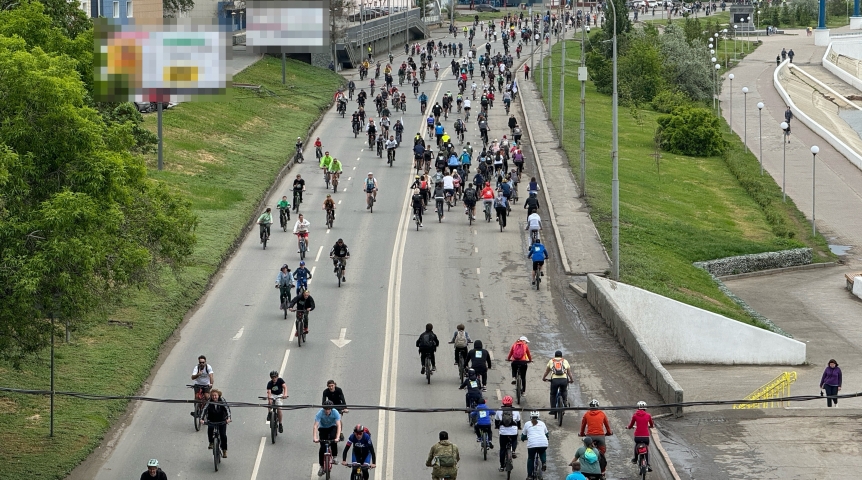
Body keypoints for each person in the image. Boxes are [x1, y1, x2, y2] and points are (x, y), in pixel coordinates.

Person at [313, 400, 343, 477]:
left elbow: (338, 425)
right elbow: (315, 426)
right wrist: (315, 438)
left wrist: (337, 437)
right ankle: (322, 466)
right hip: (323, 428)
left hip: (332, 427)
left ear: (331, 409)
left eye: (329, 409)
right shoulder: (320, 413)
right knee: (322, 448)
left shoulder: (335, 412)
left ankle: (335, 457)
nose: (327, 411)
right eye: (325, 409)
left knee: (333, 439)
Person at [200, 388, 231, 458]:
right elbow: (204, 409)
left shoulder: (222, 400)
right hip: (212, 420)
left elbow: (227, 409)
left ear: (218, 395)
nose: (214, 397)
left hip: (222, 420)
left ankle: (224, 450)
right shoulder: (209, 401)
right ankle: (211, 442)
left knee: (223, 435)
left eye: (215, 395)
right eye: (212, 396)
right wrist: (201, 419)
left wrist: (228, 418)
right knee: (210, 430)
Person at [542, 350, 575, 416]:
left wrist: (544, 378)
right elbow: (569, 373)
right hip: (564, 380)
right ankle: (565, 403)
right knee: (564, 391)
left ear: (555, 356)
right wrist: (571, 380)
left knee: (553, 394)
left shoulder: (551, 361)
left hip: (554, 380)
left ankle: (553, 410)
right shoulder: (565, 361)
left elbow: (547, 371)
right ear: (561, 356)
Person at [494, 395, 521, 471]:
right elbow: (518, 421)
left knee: (502, 448)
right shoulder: (515, 411)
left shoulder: (499, 410)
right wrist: (519, 427)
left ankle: (502, 466)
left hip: (503, 432)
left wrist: (497, 426)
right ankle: (513, 451)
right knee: (514, 440)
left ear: (503, 402)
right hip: (513, 431)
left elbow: (496, 421)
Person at [626, 401, 654, 470]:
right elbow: (651, 424)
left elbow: (631, 425)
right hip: (645, 437)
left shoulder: (635, 415)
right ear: (645, 408)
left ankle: (635, 459)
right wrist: (650, 426)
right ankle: (648, 464)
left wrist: (628, 427)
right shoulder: (648, 415)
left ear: (638, 408)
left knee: (636, 445)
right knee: (647, 448)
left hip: (637, 436)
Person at [521, 411, 548, 477]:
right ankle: (544, 462)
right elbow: (547, 434)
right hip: (543, 442)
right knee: (542, 451)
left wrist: (523, 438)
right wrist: (547, 438)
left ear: (531, 417)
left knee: (531, 458)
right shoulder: (542, 423)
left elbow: (523, 436)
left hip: (532, 444)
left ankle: (529, 476)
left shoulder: (527, 424)